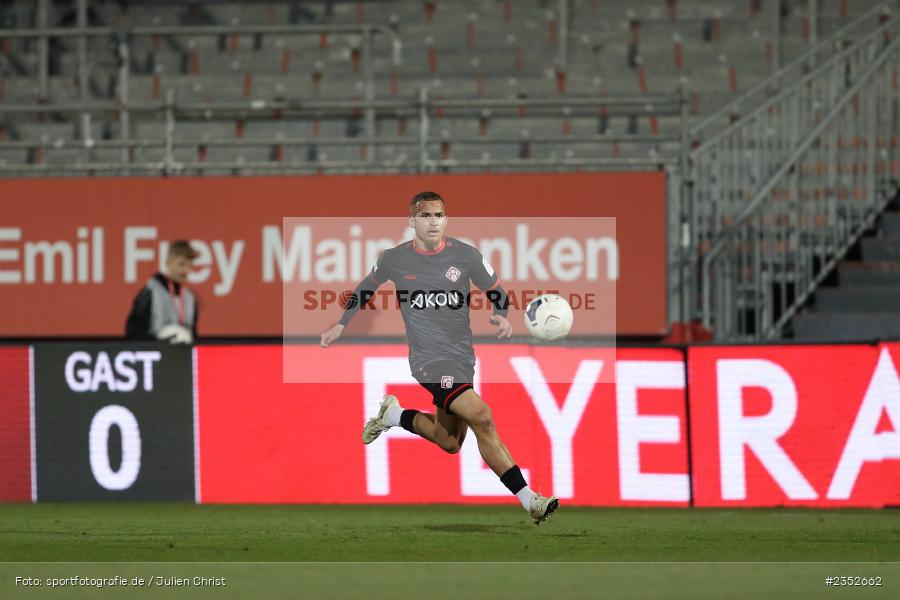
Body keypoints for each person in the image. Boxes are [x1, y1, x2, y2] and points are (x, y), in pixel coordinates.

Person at [321, 191, 559, 524]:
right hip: (428, 360)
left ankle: (393, 415)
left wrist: (501, 315)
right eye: (425, 216)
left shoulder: (466, 256)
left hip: (461, 358)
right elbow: (364, 289)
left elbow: (498, 293)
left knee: (449, 441)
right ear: (412, 221)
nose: (432, 222)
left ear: (446, 220)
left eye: (438, 216)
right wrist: (340, 325)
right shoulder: (394, 259)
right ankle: (529, 499)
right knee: (483, 417)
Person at [125, 240, 199, 344]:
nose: (186, 270)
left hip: (184, 356)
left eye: (189, 265)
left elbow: (194, 335)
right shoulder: (151, 291)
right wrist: (159, 343)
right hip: (156, 354)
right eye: (181, 264)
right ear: (168, 262)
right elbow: (134, 334)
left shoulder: (189, 298)